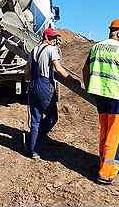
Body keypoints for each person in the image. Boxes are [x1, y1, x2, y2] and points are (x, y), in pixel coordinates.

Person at [82, 19, 119, 184]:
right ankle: (106, 174)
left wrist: (89, 87)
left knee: (105, 132)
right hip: (118, 97)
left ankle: (102, 165)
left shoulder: (95, 47)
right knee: (116, 137)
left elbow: (85, 69)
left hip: (100, 97)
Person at [25, 27, 80, 159]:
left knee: (35, 119)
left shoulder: (34, 50)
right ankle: (39, 138)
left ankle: (33, 150)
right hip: (45, 85)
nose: (55, 40)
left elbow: (27, 70)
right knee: (52, 117)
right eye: (53, 37)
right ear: (47, 37)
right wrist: (72, 80)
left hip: (33, 85)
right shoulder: (51, 50)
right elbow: (58, 68)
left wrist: (30, 82)